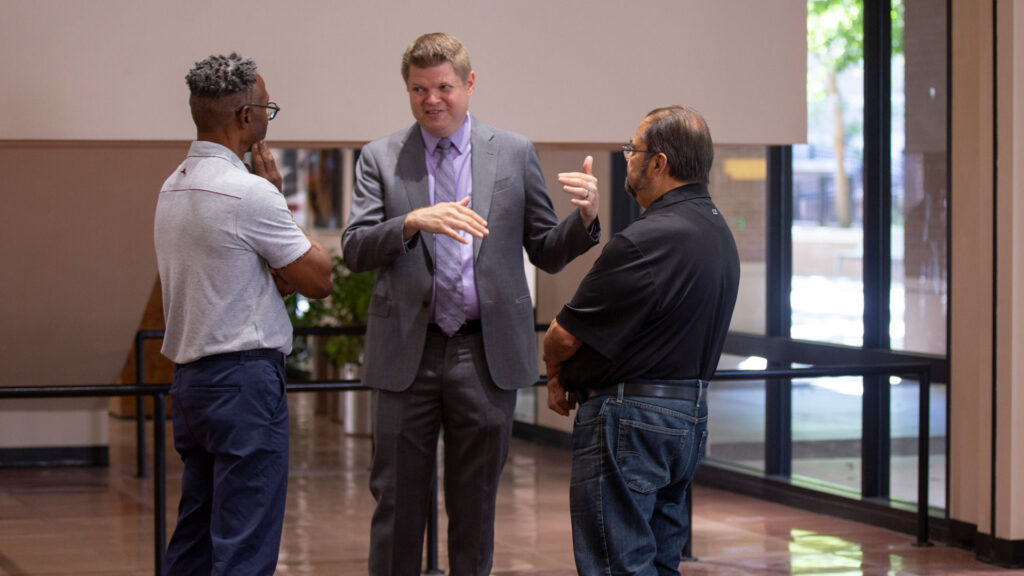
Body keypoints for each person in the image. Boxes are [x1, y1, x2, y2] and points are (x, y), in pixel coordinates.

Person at [342, 32, 601, 576]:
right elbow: (355, 248)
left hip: (483, 357)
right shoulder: (381, 157)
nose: (431, 100)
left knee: (475, 507)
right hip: (406, 356)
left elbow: (546, 252)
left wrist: (584, 221)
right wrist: (412, 221)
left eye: (443, 88)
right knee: (397, 505)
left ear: (470, 84)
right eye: (418, 89)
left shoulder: (512, 152)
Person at [154, 52, 332, 575]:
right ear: (245, 117)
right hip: (243, 383)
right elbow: (318, 279)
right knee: (244, 546)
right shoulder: (250, 193)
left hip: (191, 385)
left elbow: (257, 275)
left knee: (195, 539)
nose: (266, 119)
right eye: (266, 109)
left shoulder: (172, 187)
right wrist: (276, 194)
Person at [543, 106, 740, 575]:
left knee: (618, 566)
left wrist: (554, 375)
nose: (627, 157)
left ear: (659, 163)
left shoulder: (644, 240)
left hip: (629, 421)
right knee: (660, 564)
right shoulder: (719, 235)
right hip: (688, 422)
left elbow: (563, 335)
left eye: (633, 149)